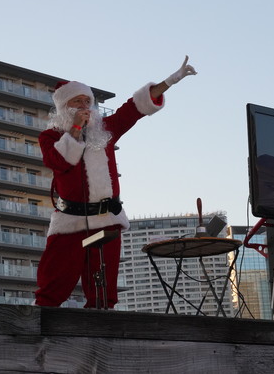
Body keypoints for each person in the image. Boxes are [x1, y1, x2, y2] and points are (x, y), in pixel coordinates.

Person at [35, 56, 197, 308]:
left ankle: (102, 336)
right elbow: (60, 161)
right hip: (70, 221)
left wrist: (169, 81)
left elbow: (134, 108)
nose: (84, 106)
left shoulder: (107, 128)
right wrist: (76, 129)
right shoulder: (50, 137)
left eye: (87, 101)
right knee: (52, 286)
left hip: (106, 220)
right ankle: (38, 331)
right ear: (63, 107)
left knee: (103, 292)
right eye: (77, 101)